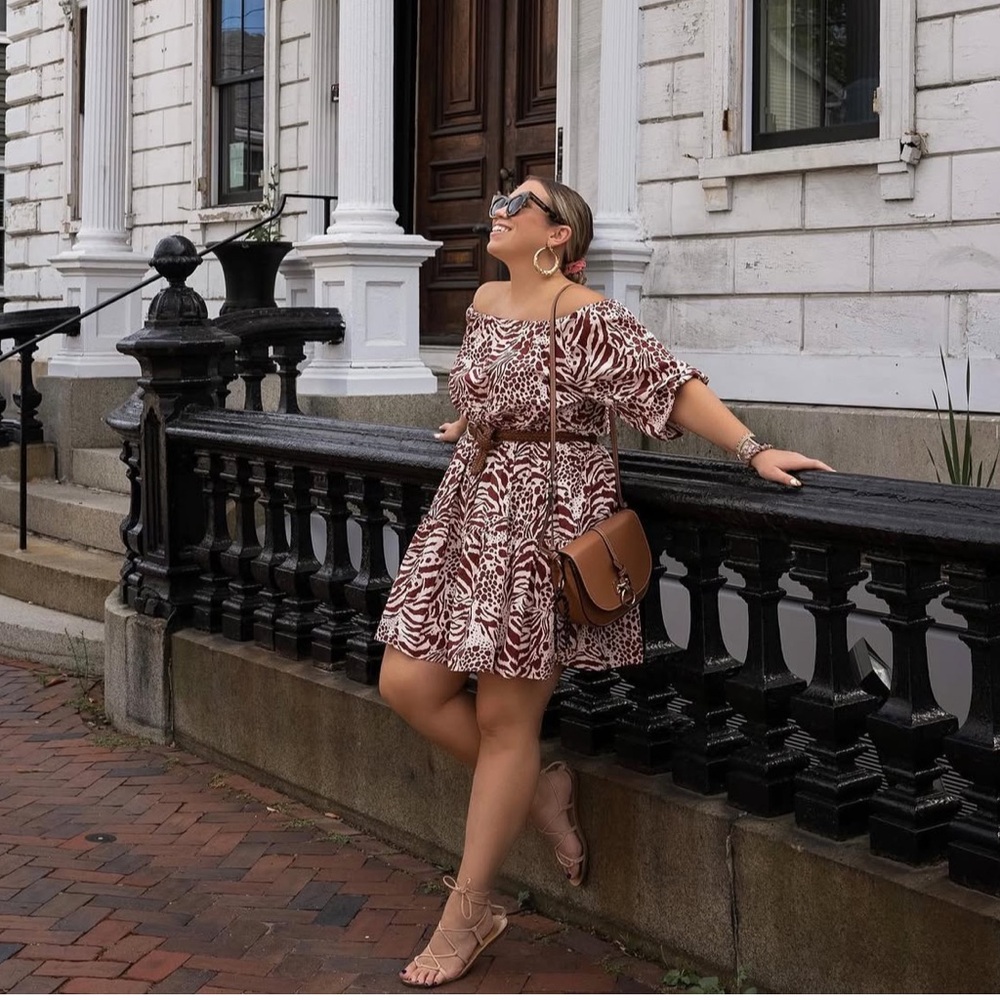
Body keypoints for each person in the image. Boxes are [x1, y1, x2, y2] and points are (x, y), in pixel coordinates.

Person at [375, 177, 832, 988]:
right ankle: (539, 793)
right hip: (472, 509)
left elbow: (668, 385)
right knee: (406, 683)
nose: (498, 212)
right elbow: (488, 387)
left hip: (546, 518)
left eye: (517, 205)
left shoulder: (585, 313)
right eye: (500, 201)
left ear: (557, 236)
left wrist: (753, 449)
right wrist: (471, 420)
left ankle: (470, 909)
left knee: (506, 718)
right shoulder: (484, 300)